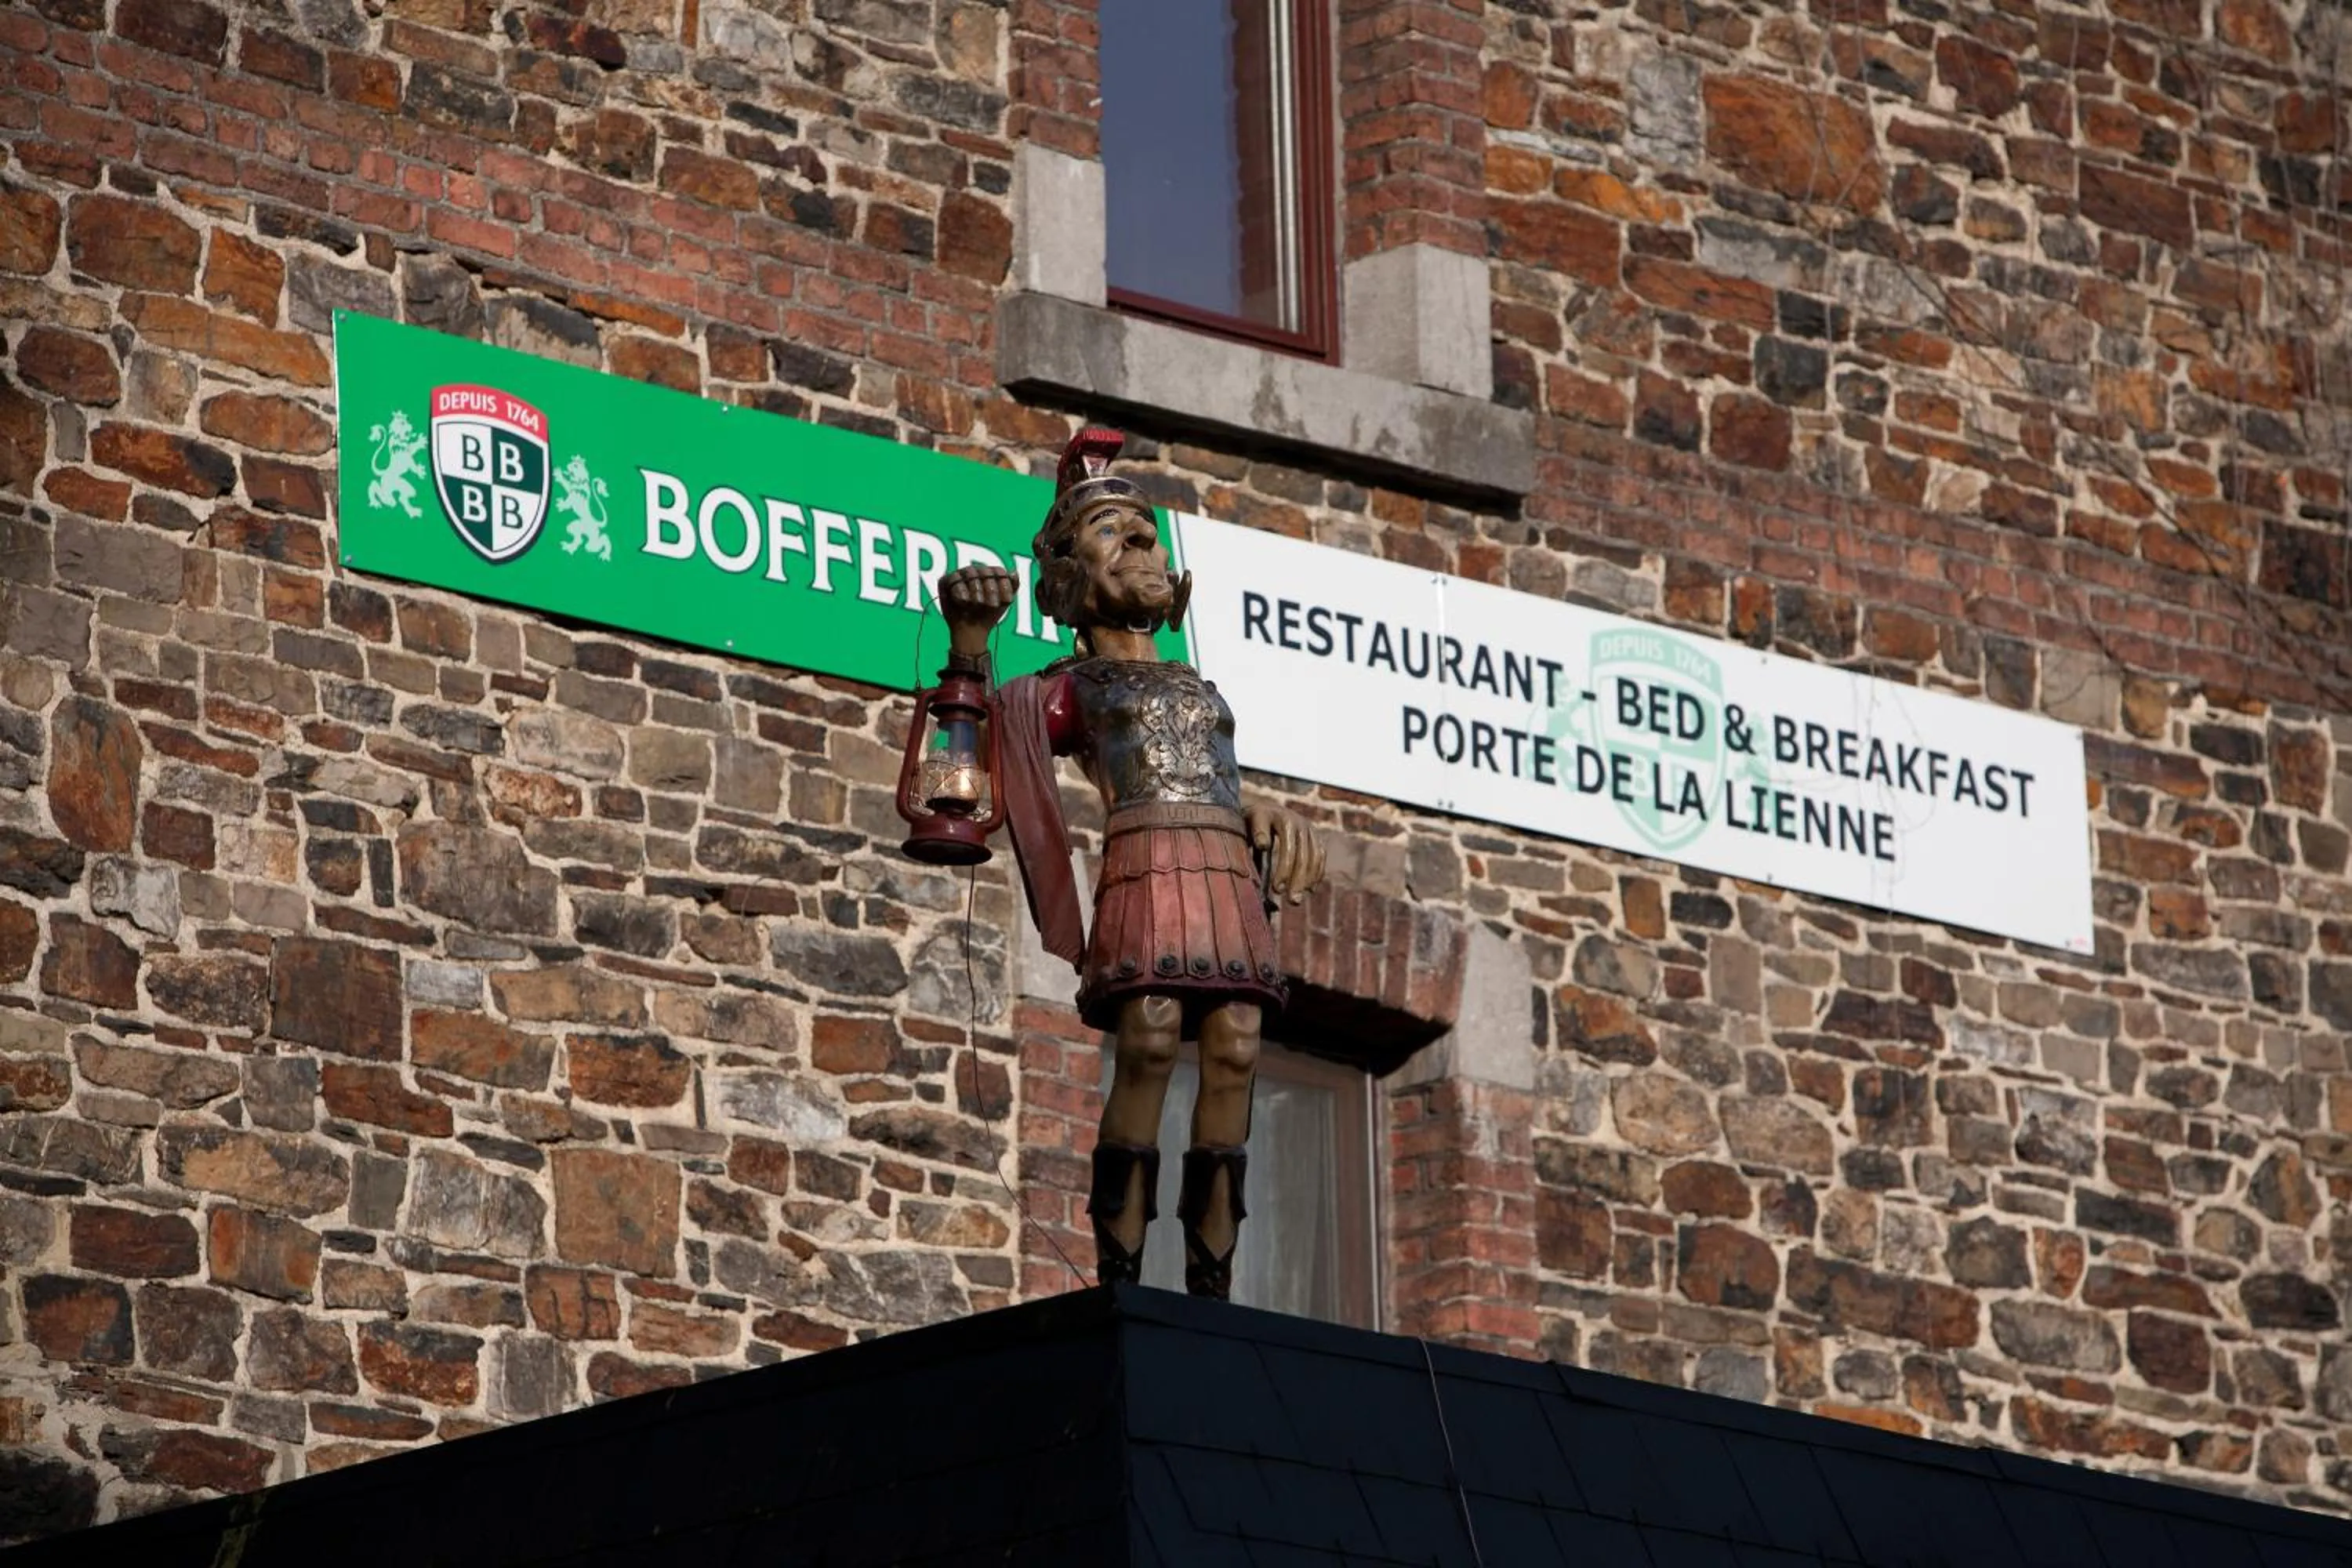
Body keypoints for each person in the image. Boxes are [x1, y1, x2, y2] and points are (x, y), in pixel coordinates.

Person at [935, 427, 1324, 1298]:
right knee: (1148, 1029)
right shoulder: (1071, 687)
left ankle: (1211, 1285)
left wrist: (1260, 808)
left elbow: (1216, 772)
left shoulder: (1199, 684)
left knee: (1237, 1039)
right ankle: (1124, 1277)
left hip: (1219, 861)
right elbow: (960, 771)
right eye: (1115, 534)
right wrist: (969, 644)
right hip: (1146, 857)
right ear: (1071, 578)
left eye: (1145, 531)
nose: (1143, 544)